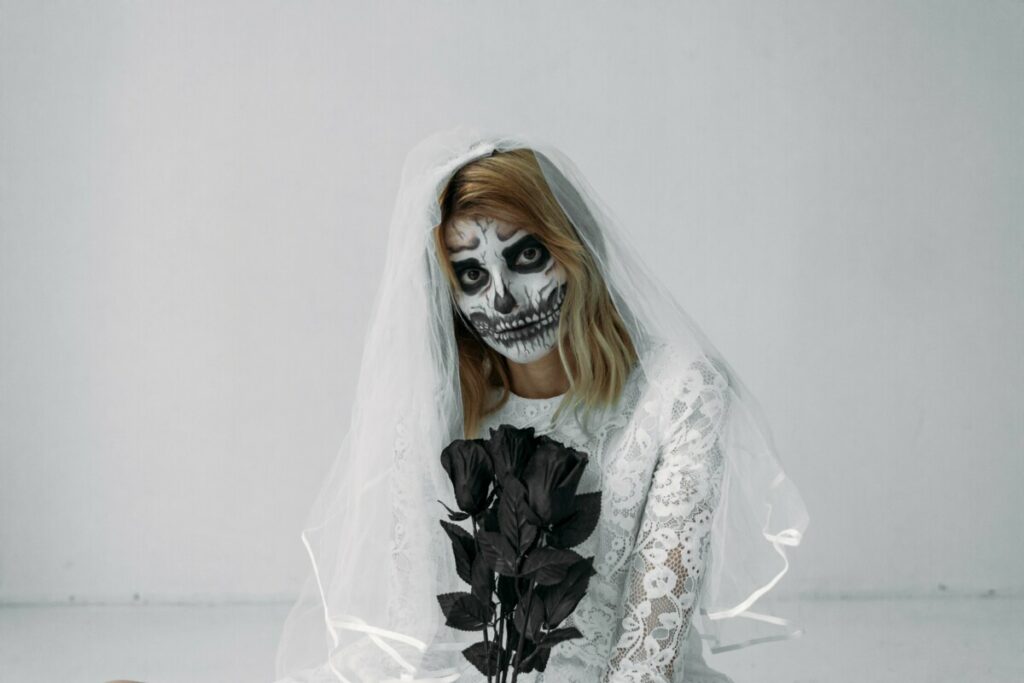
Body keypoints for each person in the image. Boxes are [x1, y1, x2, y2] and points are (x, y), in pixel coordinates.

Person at [274, 127, 809, 683]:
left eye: (525, 254)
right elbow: (418, 637)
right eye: (472, 274)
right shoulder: (434, 408)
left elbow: (648, 655)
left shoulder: (678, 392)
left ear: (573, 247)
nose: (501, 297)